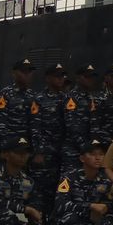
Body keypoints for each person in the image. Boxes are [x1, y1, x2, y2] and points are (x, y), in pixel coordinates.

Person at [31, 63, 70, 210]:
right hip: (46, 153)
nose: (61, 79)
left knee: (59, 191)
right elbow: (35, 127)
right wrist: (39, 152)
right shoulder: (39, 99)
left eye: (62, 76)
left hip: (63, 153)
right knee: (41, 192)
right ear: (48, 78)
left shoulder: (67, 99)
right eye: (57, 76)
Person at [0, 59, 37, 160]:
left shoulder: (33, 96)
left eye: (29, 72)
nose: (27, 75)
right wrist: (4, 148)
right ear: (14, 73)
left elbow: (35, 125)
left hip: (26, 149)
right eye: (23, 71)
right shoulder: (5, 94)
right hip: (9, 149)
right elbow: (0, 125)